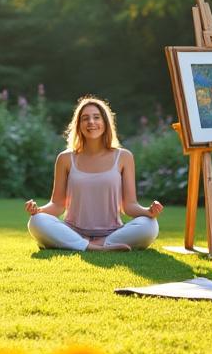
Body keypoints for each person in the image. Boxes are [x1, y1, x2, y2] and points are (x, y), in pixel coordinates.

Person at [25, 96, 162, 251]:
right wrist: (38, 210)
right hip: (73, 230)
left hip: (112, 232)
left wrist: (148, 212)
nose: (91, 122)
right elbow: (57, 205)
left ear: (105, 123)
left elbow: (129, 206)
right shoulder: (65, 158)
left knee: (149, 225)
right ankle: (94, 247)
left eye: (96, 117)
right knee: (36, 222)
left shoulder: (124, 157)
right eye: (85, 118)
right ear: (78, 125)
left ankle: (86, 244)